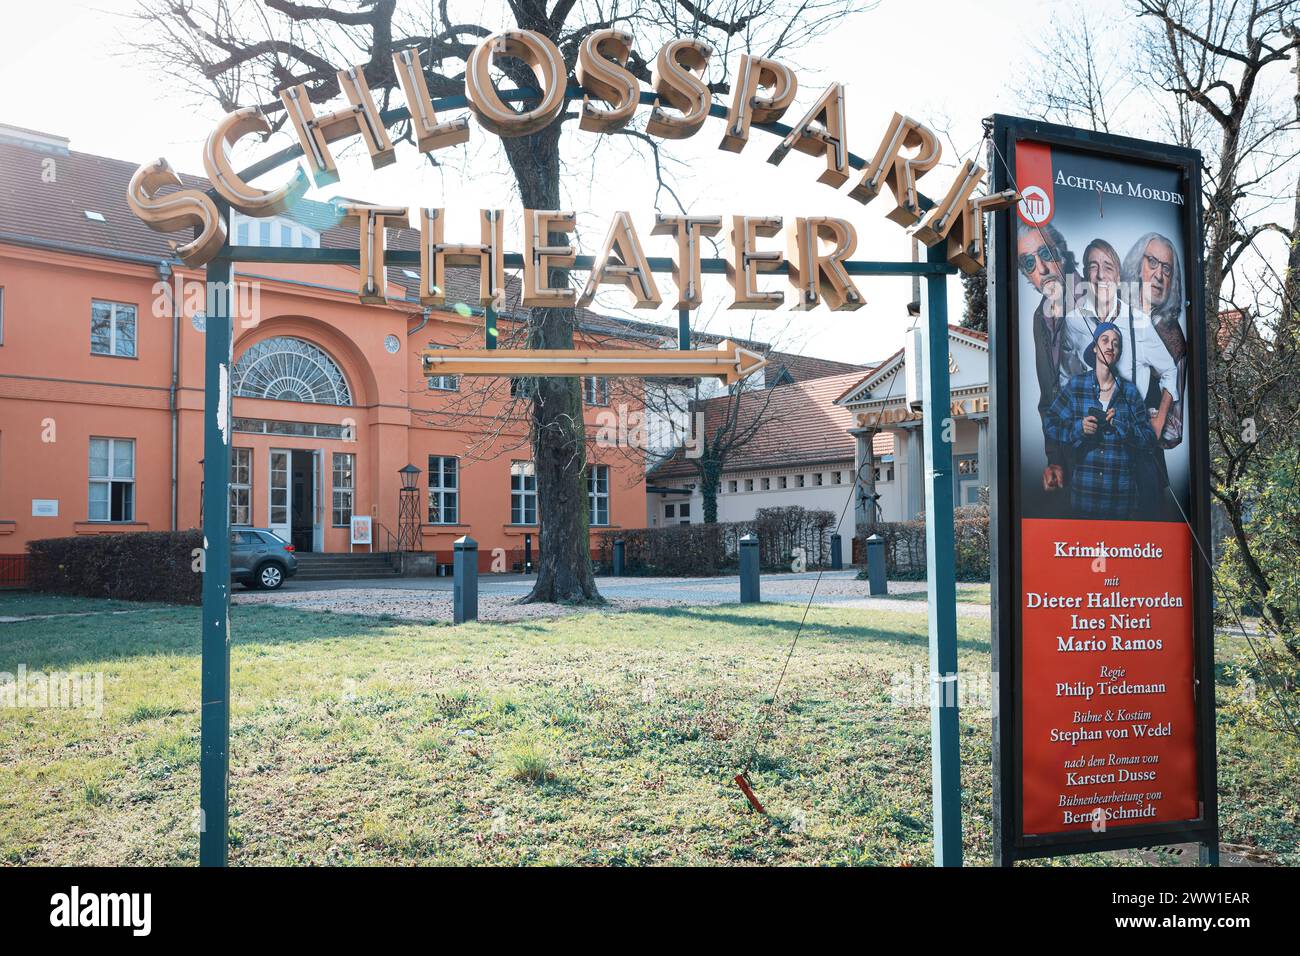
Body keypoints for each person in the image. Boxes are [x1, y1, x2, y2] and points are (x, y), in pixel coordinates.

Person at [1067, 238, 1178, 448]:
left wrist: (1160, 420)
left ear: (1118, 278)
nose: (1100, 275)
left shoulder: (1139, 322)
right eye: (1093, 267)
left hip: (1133, 438)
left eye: (1108, 267)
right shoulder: (1073, 322)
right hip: (1089, 440)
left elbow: (1170, 371)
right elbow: (1066, 378)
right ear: (1085, 275)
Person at [1043, 322, 1158, 520]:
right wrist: (1078, 429)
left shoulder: (1130, 392)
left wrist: (1123, 427)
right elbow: (1050, 424)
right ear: (1095, 347)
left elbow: (1149, 440)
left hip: (1122, 501)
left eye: (1116, 343)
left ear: (1119, 352)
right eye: (1105, 340)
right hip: (1084, 498)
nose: (1110, 346)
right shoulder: (1076, 386)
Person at [1019, 222, 1085, 492]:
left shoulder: (1103, 294)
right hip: (1074, 463)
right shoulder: (1040, 318)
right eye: (1029, 263)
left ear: (1064, 254)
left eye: (1046, 254)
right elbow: (1049, 398)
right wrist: (1055, 459)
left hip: (1123, 466)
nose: (1042, 270)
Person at [1122, 233, 1186, 448]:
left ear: (1172, 280)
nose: (1159, 274)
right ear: (1138, 266)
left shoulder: (1172, 337)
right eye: (1152, 262)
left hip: (1143, 456)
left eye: (1167, 269)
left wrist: (1153, 419)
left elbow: (1174, 430)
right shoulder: (1117, 311)